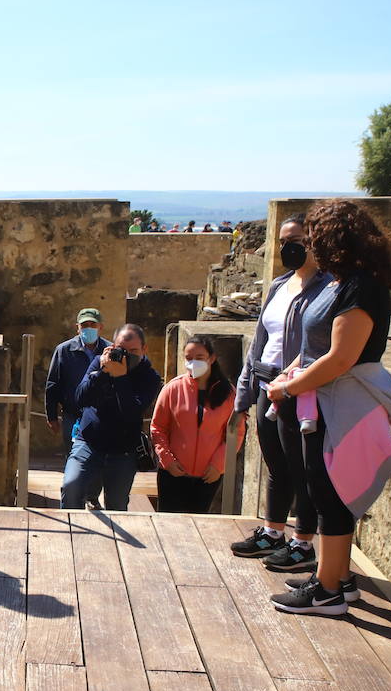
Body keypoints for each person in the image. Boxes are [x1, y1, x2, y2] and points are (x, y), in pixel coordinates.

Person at [267, 199, 391, 616]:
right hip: (323, 399)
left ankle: (327, 592)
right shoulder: (339, 282)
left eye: (316, 237)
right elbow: (314, 348)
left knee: (331, 494)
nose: (310, 244)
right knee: (322, 489)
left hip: (341, 402)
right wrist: (288, 377)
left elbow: (341, 358)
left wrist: (289, 390)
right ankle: (338, 579)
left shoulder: (360, 287)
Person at [229, 213, 331, 571]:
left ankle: (303, 542)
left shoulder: (327, 289)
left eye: (298, 240)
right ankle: (273, 533)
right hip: (265, 384)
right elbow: (259, 341)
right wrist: (245, 391)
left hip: (297, 390)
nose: (290, 248)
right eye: (284, 241)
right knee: (276, 465)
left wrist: (292, 383)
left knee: (302, 468)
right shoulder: (278, 286)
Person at [60, 323, 163, 512]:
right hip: (89, 441)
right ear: (113, 347)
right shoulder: (101, 362)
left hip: (122, 450)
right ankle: (70, 531)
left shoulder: (150, 377)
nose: (127, 355)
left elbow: (132, 412)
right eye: (122, 350)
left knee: (116, 505)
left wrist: (121, 378)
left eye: (133, 350)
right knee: (71, 487)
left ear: (144, 349)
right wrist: (101, 373)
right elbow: (79, 398)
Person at [151, 335, 243, 513]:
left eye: (199, 358)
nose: (193, 363)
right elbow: (158, 427)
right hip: (173, 473)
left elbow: (235, 433)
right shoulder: (173, 388)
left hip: (208, 476)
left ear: (212, 358)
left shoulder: (228, 393)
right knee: (170, 525)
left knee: (200, 523)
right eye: (189, 358)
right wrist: (167, 460)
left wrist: (219, 465)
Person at [45, 308, 112, 445]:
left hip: (103, 416)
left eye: (93, 325)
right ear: (78, 328)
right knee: (73, 457)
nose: (88, 329)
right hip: (72, 415)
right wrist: (52, 416)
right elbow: (53, 384)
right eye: (84, 325)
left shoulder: (110, 350)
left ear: (101, 327)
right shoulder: (64, 350)